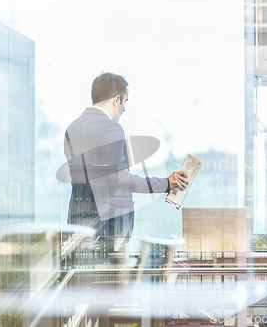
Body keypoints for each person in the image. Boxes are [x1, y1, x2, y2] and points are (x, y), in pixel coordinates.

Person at [64, 72, 188, 254]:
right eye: (125, 101)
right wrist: (166, 183)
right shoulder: (111, 127)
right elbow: (119, 178)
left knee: (82, 278)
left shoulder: (72, 127)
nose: (124, 109)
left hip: (78, 221)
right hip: (108, 228)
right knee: (111, 280)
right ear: (116, 99)